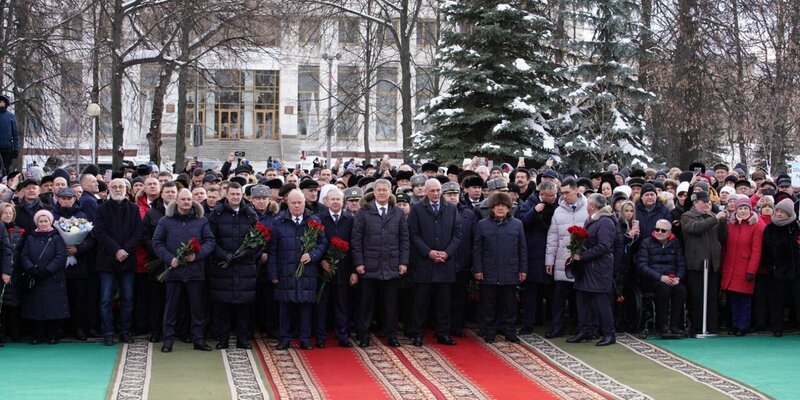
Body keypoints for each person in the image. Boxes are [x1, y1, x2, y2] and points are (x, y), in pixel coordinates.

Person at [152, 188, 216, 352]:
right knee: (171, 308)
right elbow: (157, 242)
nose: (186, 202)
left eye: (189, 199)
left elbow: (210, 241)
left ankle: (198, 339)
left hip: (195, 272)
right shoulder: (165, 221)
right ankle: (168, 340)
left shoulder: (201, 220)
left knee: (197, 308)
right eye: (183, 199)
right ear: (177, 201)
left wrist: (197, 256)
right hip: (174, 271)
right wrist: (169, 258)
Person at [352, 179, 410, 348]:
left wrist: (403, 262)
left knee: (391, 304)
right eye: (379, 190)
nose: (383, 193)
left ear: (390, 192)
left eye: (386, 190)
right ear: (374, 192)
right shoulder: (364, 213)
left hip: (391, 265)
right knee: (367, 303)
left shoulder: (397, 213)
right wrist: (359, 263)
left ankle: (391, 335)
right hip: (369, 266)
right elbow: (356, 240)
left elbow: (404, 240)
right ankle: (364, 335)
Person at [268, 189, 328, 350]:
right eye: (293, 203)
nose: (296, 206)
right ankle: (285, 338)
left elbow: (323, 243)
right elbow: (272, 251)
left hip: (307, 272)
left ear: (304, 203)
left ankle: (305, 339)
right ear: (287, 203)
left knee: (305, 307)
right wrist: (273, 274)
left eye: (299, 202)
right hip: (285, 272)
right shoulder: (278, 222)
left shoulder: (313, 221)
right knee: (285, 308)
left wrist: (313, 255)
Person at [408, 179, 461, 346]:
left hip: (445, 263)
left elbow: (457, 233)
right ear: (426, 192)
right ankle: (418, 334)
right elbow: (413, 235)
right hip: (424, 263)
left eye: (438, 190)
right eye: (432, 191)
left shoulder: (451, 209)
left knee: (444, 303)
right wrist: (429, 252)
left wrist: (447, 253)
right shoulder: (417, 209)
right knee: (420, 303)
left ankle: (442, 333)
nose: (436, 194)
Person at [93, 179, 144, 346]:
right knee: (105, 299)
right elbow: (100, 233)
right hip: (107, 260)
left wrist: (125, 250)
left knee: (127, 298)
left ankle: (124, 331)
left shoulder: (134, 209)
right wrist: (116, 250)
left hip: (127, 260)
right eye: (114, 186)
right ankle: (107, 332)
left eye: (120, 186)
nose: (117, 189)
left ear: (126, 189)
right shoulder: (101, 209)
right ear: (108, 189)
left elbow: (138, 233)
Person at [472, 192, 527, 343]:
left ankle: (509, 330)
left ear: (509, 209)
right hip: (489, 272)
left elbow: (522, 249)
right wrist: (478, 269)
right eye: (497, 206)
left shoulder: (517, 224)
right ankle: (489, 331)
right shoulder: (482, 224)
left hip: (510, 271)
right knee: (488, 304)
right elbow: (477, 249)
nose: (501, 208)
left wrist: (523, 269)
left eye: (504, 206)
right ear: (492, 208)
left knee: (510, 305)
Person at [566, 194, 616, 346]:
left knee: (601, 302)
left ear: (593, 206)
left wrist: (582, 256)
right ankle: (585, 330)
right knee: (583, 301)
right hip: (587, 268)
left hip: (598, 268)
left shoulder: (605, 221)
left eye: (588, 203)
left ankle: (609, 333)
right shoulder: (593, 220)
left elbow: (604, 246)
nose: (586, 206)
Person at [544, 179, 588, 338]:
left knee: (579, 297)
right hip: (562, 260)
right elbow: (553, 237)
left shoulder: (588, 207)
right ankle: (557, 327)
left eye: (567, 192)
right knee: (558, 298)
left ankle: (578, 326)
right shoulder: (559, 210)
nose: (564, 196)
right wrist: (549, 261)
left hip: (580, 260)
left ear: (576, 190)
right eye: (562, 192)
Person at [314, 187, 357, 348]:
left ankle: (342, 335)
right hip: (322, 269)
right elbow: (315, 243)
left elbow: (354, 246)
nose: (335, 202)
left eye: (338, 199)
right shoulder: (319, 218)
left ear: (343, 202)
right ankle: (320, 337)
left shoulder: (350, 220)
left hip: (344, 269)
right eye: (332, 199)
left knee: (342, 305)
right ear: (326, 201)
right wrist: (321, 262)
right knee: (322, 305)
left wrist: (353, 270)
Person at [50, 187, 94, 341]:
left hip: (78, 264)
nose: (66, 201)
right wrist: (62, 250)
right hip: (58, 265)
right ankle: (59, 328)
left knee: (79, 298)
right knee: (59, 297)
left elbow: (90, 239)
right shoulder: (52, 215)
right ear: (58, 199)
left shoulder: (82, 215)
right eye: (63, 198)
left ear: (75, 199)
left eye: (70, 198)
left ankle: (78, 328)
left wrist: (77, 249)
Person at [681, 191, 727, 335]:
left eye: (709, 202)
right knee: (697, 297)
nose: (707, 205)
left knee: (712, 297)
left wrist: (722, 222)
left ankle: (712, 326)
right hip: (696, 264)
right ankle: (697, 326)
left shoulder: (712, 217)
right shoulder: (687, 216)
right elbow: (695, 228)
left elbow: (722, 237)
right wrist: (715, 219)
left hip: (712, 264)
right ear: (695, 203)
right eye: (704, 202)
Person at [19, 210, 68, 344]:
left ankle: (53, 335)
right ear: (36, 223)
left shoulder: (57, 237)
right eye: (41, 221)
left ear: (50, 222)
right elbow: (24, 256)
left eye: (46, 221)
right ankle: (38, 335)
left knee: (52, 307)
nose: (43, 223)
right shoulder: (30, 238)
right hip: (35, 277)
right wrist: (31, 269)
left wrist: (48, 270)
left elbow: (61, 256)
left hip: (52, 278)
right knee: (36, 307)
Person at [517, 180, 558, 334]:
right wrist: (534, 211)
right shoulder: (530, 203)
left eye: (555, 194)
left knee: (552, 292)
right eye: (550, 195)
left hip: (553, 253)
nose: (554, 198)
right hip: (534, 253)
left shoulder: (558, 204)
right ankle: (528, 323)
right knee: (531, 292)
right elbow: (522, 222)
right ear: (542, 194)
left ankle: (553, 323)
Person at [636, 219, 687, 337]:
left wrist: (678, 277)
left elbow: (681, 264)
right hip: (651, 279)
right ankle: (662, 325)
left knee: (681, 290)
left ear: (669, 233)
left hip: (671, 277)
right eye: (657, 229)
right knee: (664, 289)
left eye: (663, 230)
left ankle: (674, 325)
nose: (659, 232)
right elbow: (642, 266)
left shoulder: (675, 243)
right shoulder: (646, 243)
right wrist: (659, 277)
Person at [721, 198, 764, 336]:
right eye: (740, 208)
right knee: (733, 298)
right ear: (736, 210)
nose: (743, 211)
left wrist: (752, 270)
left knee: (744, 299)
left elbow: (756, 250)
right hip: (730, 267)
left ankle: (743, 326)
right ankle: (734, 324)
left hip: (745, 267)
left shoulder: (756, 226)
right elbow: (725, 248)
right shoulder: (730, 225)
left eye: (746, 208)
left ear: (750, 210)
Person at [141, 181, 177, 343]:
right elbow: (145, 237)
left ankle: (176, 330)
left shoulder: (182, 211)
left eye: (173, 192)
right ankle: (156, 330)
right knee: (156, 298)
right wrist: (160, 251)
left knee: (176, 299)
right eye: (167, 192)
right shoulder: (152, 213)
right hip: (156, 261)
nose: (170, 194)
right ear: (161, 194)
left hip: (177, 263)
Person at [759, 198, 800, 337]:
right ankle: (777, 327)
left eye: (783, 212)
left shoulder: (796, 227)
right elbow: (765, 250)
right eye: (778, 211)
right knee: (777, 301)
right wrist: (771, 267)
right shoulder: (770, 228)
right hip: (778, 273)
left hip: (796, 272)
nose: (779, 214)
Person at [441, 182, 476, 337]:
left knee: (460, 298)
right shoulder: (439, 212)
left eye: (455, 194)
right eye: (449, 194)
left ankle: (457, 326)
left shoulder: (469, 214)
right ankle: (442, 327)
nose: (453, 197)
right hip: (443, 263)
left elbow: (475, 240)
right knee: (443, 298)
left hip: (463, 264)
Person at [0, 94, 19, 175]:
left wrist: (15, 148)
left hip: (6, 147)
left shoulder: (10, 116)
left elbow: (15, 133)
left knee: (6, 168)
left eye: (1, 101)